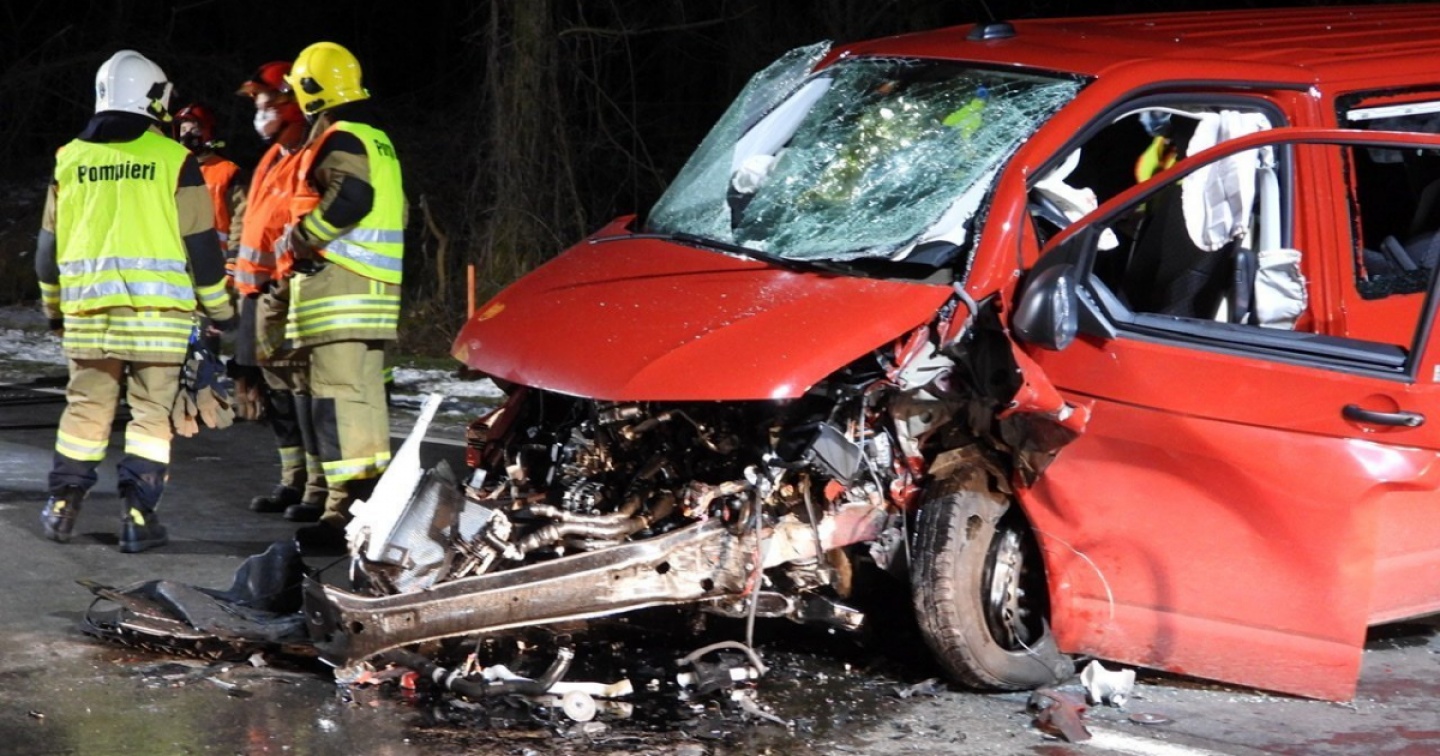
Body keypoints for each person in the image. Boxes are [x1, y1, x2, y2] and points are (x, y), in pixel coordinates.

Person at [35, 50, 235, 553]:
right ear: (154, 99)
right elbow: (201, 247)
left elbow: (46, 254)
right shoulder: (174, 159)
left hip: (89, 318)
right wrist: (220, 310)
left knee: (85, 411)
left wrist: (54, 310)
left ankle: (62, 506)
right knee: (150, 417)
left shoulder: (69, 159)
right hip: (158, 322)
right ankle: (138, 519)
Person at [281, 41, 405, 551]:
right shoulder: (377, 139)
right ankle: (370, 509)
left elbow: (352, 197)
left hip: (341, 291)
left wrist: (303, 236)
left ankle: (344, 517)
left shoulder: (341, 138)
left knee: (336, 405)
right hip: (373, 293)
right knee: (365, 403)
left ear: (311, 90)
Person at [232, 61, 329, 517]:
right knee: (279, 396)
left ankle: (317, 488)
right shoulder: (272, 158)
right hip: (258, 294)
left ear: (292, 104)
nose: (260, 112)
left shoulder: (308, 156)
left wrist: (282, 284)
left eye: (266, 102)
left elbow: (301, 229)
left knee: (303, 390)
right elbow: (253, 226)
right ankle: (293, 480)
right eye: (257, 103)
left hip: (289, 291)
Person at [173, 103, 245, 257]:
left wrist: (234, 255)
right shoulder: (170, 171)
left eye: (195, 130)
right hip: (178, 258)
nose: (187, 135)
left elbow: (241, 216)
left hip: (216, 258)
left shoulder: (227, 171)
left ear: (208, 133)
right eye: (183, 130)